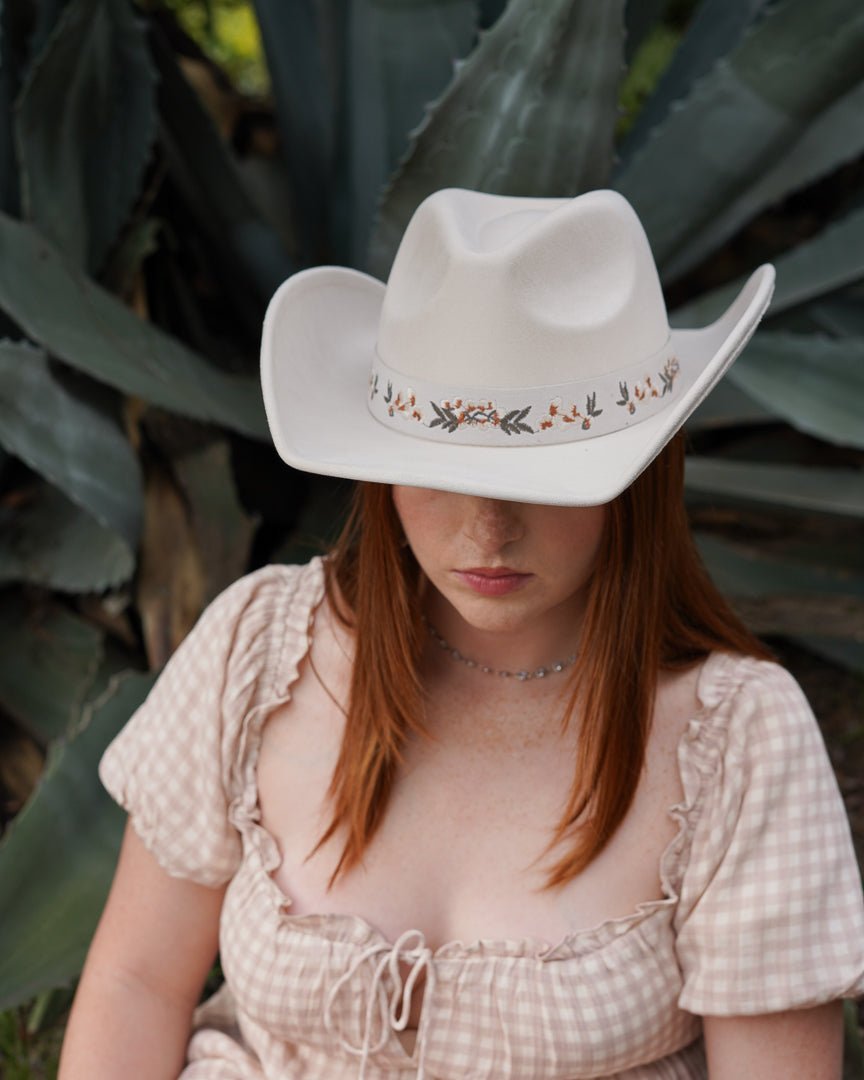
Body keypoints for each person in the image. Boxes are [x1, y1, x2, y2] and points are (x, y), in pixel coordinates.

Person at [59, 189, 864, 1079]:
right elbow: (136, 982)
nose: (487, 529)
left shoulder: (738, 740)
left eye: (544, 475)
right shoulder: (261, 646)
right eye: (435, 469)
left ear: (638, 476)